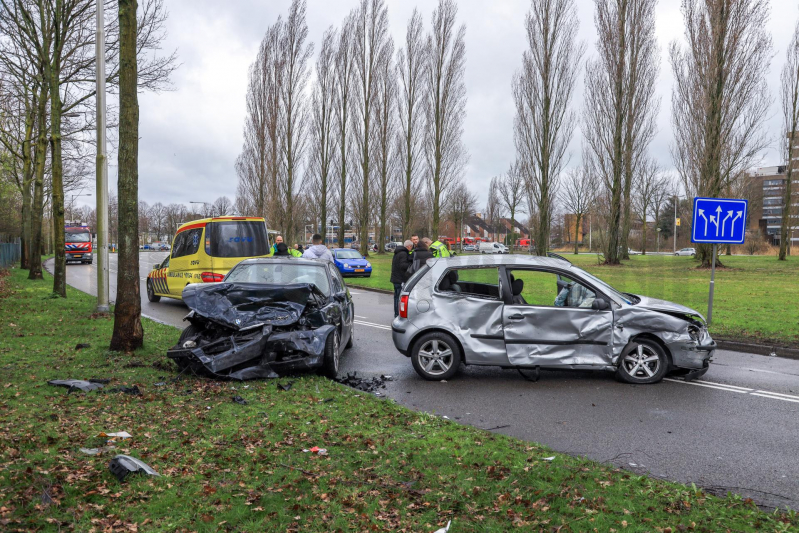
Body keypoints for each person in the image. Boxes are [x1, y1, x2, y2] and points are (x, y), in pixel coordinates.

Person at [390, 240, 413, 316]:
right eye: (411, 247)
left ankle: (396, 313)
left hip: (395, 277)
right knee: (399, 298)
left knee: (396, 297)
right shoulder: (404, 254)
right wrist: (411, 264)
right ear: (409, 246)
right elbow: (403, 265)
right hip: (400, 278)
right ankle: (397, 314)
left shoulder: (397, 252)